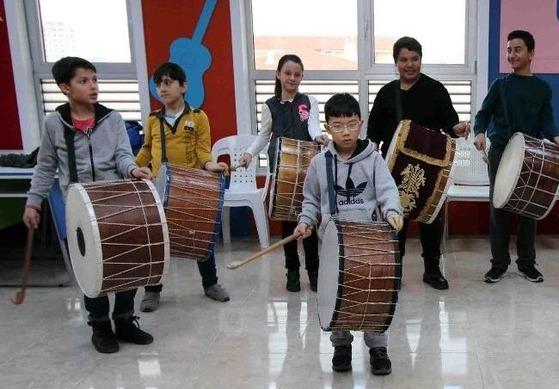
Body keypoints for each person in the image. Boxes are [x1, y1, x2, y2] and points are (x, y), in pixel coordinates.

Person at [22, 56, 154, 354]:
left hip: (115, 203)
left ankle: (124, 320)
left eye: (94, 79)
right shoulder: (55, 123)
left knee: (125, 263)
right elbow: (45, 167)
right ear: (65, 87)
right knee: (91, 269)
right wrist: (34, 202)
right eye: (84, 81)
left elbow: (123, 156)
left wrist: (133, 170)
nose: (93, 86)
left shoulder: (113, 119)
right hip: (78, 208)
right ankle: (100, 325)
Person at [294, 93, 403, 376]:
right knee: (336, 293)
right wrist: (306, 222)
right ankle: (341, 345)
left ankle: (378, 347)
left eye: (351, 124)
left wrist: (392, 211)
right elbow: (310, 200)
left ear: (361, 124)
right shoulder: (319, 164)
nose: (345, 131)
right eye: (338, 125)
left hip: (370, 240)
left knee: (373, 293)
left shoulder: (374, 160)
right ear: (328, 127)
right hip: (332, 244)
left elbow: (388, 190)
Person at [367, 36, 470, 290]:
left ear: (421, 60)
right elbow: (373, 136)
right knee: (395, 218)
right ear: (396, 63)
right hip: (393, 170)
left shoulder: (435, 90)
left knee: (430, 218)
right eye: (404, 59)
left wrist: (458, 128)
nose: (409, 64)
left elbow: (450, 124)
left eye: (414, 59)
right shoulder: (386, 94)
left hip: (431, 169)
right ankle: (395, 269)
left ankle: (432, 270)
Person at [473, 30, 559, 284]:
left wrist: (556, 137)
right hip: (501, 150)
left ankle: (527, 263)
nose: (511, 54)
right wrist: (480, 132)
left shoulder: (542, 88)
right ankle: (499, 264)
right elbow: (483, 114)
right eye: (508, 50)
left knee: (529, 207)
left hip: (531, 152)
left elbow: (546, 122)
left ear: (531, 54)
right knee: (500, 207)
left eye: (517, 49)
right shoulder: (500, 85)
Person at [135, 62, 231, 312]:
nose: (162, 89)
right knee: (158, 241)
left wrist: (211, 165)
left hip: (190, 187)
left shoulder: (198, 117)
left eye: (168, 83)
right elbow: (147, 149)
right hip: (159, 188)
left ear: (183, 86)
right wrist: (133, 167)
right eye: (158, 84)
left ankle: (211, 284)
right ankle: (152, 291)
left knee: (200, 235)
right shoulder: (153, 120)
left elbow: (202, 150)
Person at [241, 54, 329, 292]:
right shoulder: (269, 105)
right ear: (278, 74)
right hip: (281, 167)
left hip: (306, 167)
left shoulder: (309, 101)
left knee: (308, 217)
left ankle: (314, 270)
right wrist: (250, 154)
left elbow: (313, 128)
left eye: (297, 74)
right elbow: (264, 135)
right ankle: (292, 270)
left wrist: (319, 138)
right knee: (286, 218)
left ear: (301, 77)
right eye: (288, 73)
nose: (292, 78)